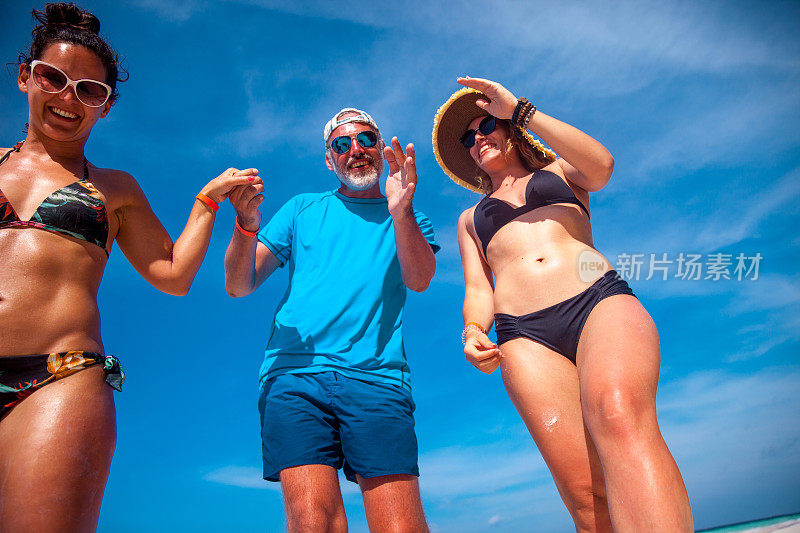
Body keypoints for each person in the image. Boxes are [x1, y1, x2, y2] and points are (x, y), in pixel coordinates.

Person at [0, 3, 260, 531]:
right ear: (27, 76)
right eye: (54, 78)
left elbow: (172, 273)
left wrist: (207, 202)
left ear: (106, 107)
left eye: (89, 91)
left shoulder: (113, 188)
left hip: (59, 379)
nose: (68, 98)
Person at [432, 77, 693, 532]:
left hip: (597, 303)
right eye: (468, 138)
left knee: (618, 416)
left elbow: (603, 166)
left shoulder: (560, 173)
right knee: (584, 492)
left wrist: (521, 111)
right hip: (523, 334)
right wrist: (473, 330)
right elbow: (478, 289)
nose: (478, 139)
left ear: (509, 127)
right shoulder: (470, 220)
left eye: (487, 125)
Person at [224, 107, 438, 532]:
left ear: (380, 148)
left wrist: (401, 211)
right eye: (342, 144)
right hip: (294, 376)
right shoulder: (302, 209)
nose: (355, 150)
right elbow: (239, 283)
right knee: (311, 521)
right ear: (329, 159)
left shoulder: (409, 217)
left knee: (401, 526)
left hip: (378, 378)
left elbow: (420, 280)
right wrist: (245, 225)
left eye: (365, 140)